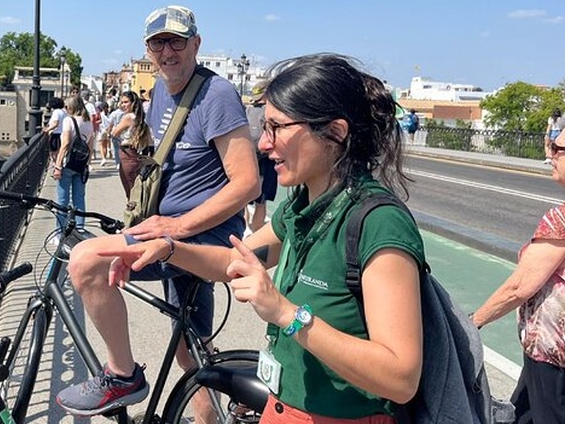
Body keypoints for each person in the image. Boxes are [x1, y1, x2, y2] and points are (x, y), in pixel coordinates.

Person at [99, 53, 425, 423]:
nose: (264, 145)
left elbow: (400, 377)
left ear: (335, 132)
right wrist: (169, 249)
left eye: (276, 128)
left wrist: (287, 314)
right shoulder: (304, 205)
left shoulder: (378, 223)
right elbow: (232, 260)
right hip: (284, 408)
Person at [55, 5, 260, 416]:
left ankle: (122, 374)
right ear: (147, 49)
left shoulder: (216, 95)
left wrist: (176, 224)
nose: (167, 51)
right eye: (157, 42)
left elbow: (248, 182)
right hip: (172, 230)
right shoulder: (163, 90)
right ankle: (213, 416)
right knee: (192, 354)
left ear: (196, 44)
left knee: (85, 261)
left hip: (200, 236)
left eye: (176, 41)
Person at [472, 110, 565, 424]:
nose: (550, 156)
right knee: (524, 415)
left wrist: (473, 321)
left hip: (554, 347)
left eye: (558, 149)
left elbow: (520, 286)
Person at [51, 96, 94, 234]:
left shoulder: (69, 120)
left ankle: (60, 231)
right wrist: (87, 163)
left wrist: (57, 166)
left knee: (62, 199)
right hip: (81, 164)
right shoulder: (88, 122)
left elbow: (65, 144)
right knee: (79, 199)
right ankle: (80, 229)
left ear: (71, 107)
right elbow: (90, 146)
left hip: (68, 164)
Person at [244, 80, 278, 233]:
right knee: (261, 201)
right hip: (266, 161)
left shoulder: (248, 110)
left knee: (243, 199)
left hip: (249, 159)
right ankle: (255, 232)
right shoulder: (269, 112)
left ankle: (244, 227)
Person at [110, 90, 151, 197]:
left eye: (126, 102)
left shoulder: (128, 117)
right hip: (137, 154)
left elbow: (114, 133)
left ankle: (134, 213)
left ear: (133, 103)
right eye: (122, 102)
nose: (123, 105)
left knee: (131, 191)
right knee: (136, 190)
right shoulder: (140, 116)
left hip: (127, 154)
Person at [42, 97, 66, 162]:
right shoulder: (63, 112)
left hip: (56, 134)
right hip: (63, 133)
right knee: (60, 152)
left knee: (54, 153)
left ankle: (57, 166)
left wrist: (47, 130)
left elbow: (55, 123)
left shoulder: (56, 112)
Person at [97, 101, 112, 167]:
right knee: (105, 145)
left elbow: (99, 121)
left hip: (102, 130)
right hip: (108, 130)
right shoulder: (110, 114)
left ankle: (103, 158)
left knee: (101, 145)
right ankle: (105, 156)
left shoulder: (100, 114)